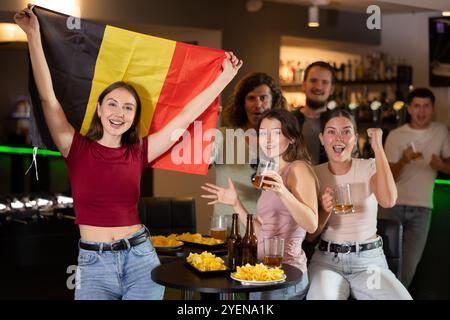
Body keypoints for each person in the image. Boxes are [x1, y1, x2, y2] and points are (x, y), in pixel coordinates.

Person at [15, 5, 242, 300]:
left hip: (140, 258)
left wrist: (225, 78)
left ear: (135, 117)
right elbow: (48, 98)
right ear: (99, 109)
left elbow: (185, 118)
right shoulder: (75, 147)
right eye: (112, 104)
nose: (119, 113)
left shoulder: (140, 152)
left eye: (128, 107)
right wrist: (33, 35)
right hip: (92, 265)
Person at [202, 108, 318, 300]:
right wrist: (236, 204)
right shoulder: (271, 172)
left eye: (275, 133)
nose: (268, 139)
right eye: (263, 133)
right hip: (262, 273)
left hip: (286, 275)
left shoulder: (298, 169)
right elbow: (263, 232)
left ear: (291, 138)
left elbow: (311, 224)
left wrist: (282, 192)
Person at [306, 108, 412, 300]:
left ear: (355, 138)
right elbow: (310, 236)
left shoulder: (368, 167)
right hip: (327, 262)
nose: (339, 138)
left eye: (346, 131)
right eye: (331, 131)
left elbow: (388, 200)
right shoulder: (313, 174)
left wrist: (378, 146)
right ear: (322, 138)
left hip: (368, 263)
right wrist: (324, 210)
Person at [380, 88, 450, 288]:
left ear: (433, 109)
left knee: (407, 271)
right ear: (409, 109)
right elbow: (386, 177)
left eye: (426, 106)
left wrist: (442, 166)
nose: (422, 111)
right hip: (392, 207)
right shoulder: (395, 135)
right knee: (384, 269)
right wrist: (403, 160)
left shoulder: (441, 131)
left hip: (422, 209)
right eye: (417, 106)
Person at [211, 73, 287, 231]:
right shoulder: (222, 136)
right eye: (251, 98)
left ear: (274, 102)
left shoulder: (281, 141)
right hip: (228, 230)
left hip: (267, 230)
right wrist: (207, 121)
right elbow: (202, 161)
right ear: (242, 103)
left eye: (263, 97)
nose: (258, 104)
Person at [292, 61, 336, 166]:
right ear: (304, 85)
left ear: (331, 89)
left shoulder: (340, 121)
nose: (318, 87)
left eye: (325, 82)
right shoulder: (289, 120)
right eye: (313, 80)